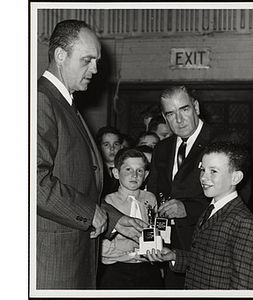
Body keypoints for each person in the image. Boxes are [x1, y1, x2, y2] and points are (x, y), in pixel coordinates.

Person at [37, 19, 146, 289]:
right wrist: (89, 212)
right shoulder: (41, 100)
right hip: (53, 263)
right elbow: (30, 181)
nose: (95, 69)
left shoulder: (65, 103)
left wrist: (114, 219)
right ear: (60, 56)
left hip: (75, 258)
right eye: (87, 60)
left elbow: (76, 187)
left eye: (96, 61)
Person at [147, 85, 241, 288]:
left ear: (196, 107)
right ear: (164, 117)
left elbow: (240, 195)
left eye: (184, 109)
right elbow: (154, 193)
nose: (179, 120)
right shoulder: (162, 148)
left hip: (210, 246)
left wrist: (187, 209)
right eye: (171, 114)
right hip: (171, 252)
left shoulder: (224, 140)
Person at [146, 141, 253, 290]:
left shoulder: (243, 223)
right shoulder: (211, 210)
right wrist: (174, 256)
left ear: (236, 178)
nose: (203, 178)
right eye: (202, 169)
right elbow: (209, 261)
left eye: (213, 171)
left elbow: (245, 287)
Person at [99, 148, 163, 289]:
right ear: (116, 173)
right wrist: (131, 248)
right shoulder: (108, 202)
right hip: (117, 268)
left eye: (139, 171)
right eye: (128, 169)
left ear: (146, 175)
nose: (134, 175)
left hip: (148, 266)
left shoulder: (150, 198)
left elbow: (156, 230)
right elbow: (103, 246)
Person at [96, 126, 122, 198]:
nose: (112, 148)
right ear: (99, 147)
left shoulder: (127, 168)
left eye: (116, 144)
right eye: (106, 145)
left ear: (121, 146)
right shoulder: (96, 170)